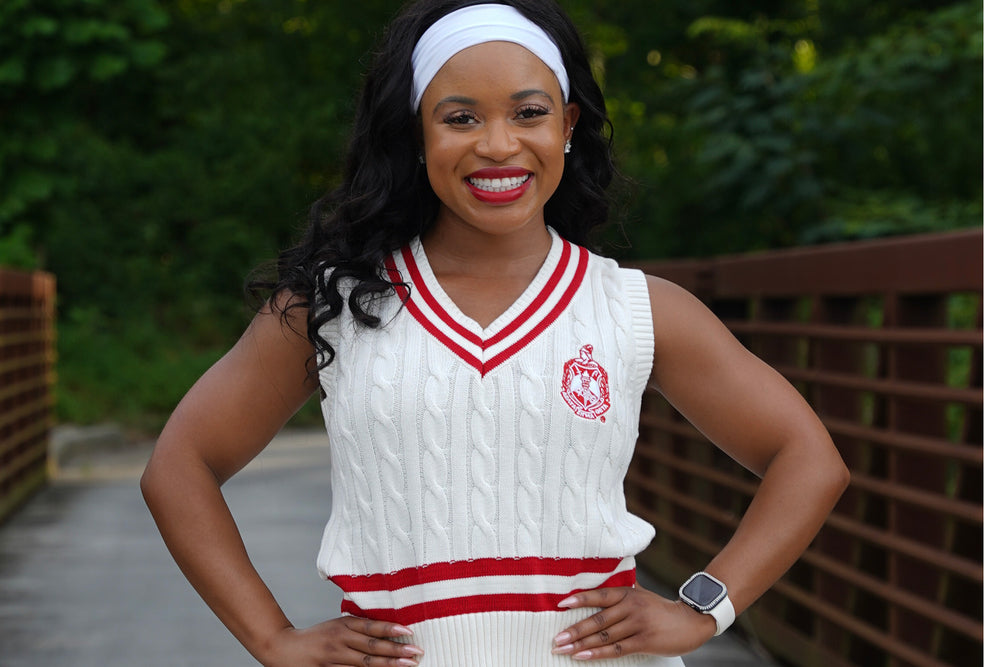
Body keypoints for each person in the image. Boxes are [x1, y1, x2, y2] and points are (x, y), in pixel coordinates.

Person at [140, 1, 850, 665]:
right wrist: (273, 637)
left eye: (528, 112)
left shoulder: (635, 307)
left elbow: (808, 457)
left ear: (567, 125)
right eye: (460, 118)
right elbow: (179, 467)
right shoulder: (337, 305)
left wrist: (703, 607)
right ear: (416, 133)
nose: (499, 144)